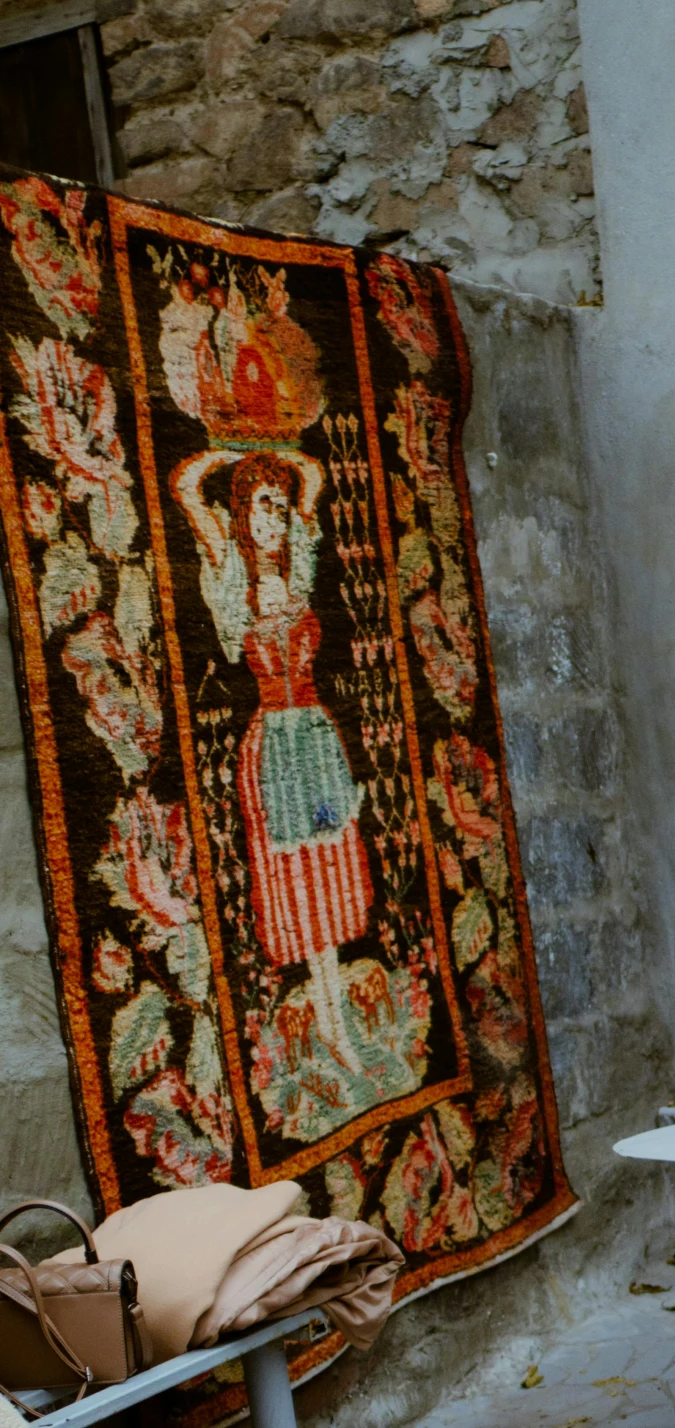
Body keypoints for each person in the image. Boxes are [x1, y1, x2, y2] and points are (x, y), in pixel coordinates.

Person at [171, 447, 371, 1061]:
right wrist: (230, 454)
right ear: (242, 514)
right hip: (277, 749)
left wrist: (276, 457)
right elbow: (185, 488)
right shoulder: (233, 580)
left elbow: (313, 474)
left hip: (314, 738)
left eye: (280, 510)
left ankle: (336, 1017)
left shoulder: (300, 569)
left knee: (328, 860)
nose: (275, 520)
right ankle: (327, 1017)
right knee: (297, 872)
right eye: (263, 507)